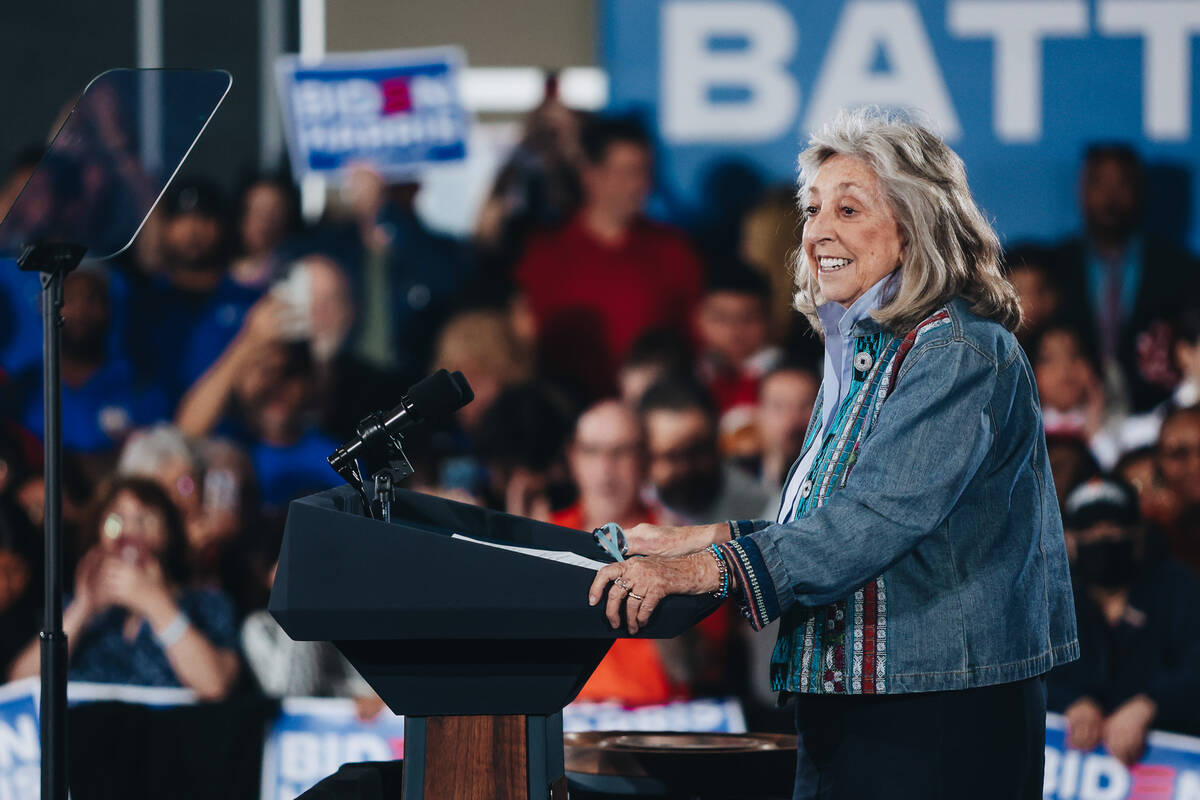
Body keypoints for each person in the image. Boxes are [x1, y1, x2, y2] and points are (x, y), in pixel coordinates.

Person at [586, 110, 1077, 799]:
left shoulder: (957, 351)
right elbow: (832, 518)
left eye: (849, 209)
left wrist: (709, 569)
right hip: (867, 702)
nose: (817, 232)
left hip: (937, 714)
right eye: (813, 209)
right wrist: (698, 539)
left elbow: (875, 518)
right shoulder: (865, 349)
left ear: (914, 224)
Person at [514, 115, 704, 398]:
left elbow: (697, 338)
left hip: (652, 411)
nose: (639, 185)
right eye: (628, 172)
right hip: (564, 410)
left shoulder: (674, 251)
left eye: (644, 172)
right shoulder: (544, 254)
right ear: (590, 175)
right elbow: (523, 342)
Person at [9, 477, 240, 698]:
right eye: (115, 520)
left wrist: (154, 602)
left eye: (145, 519)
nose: (130, 532)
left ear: (170, 532)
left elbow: (215, 686)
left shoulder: (207, 605)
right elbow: (19, 687)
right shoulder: (72, 607)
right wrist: (81, 609)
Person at [1048, 477, 1200, 765]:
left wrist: (1151, 704)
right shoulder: (1049, 597)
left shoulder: (1177, 589)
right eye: (1089, 530)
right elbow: (1021, 673)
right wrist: (1067, 701)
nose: (1102, 537)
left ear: (1138, 534)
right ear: (1069, 540)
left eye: (1113, 527)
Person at [552, 400, 682, 706]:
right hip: (569, 721)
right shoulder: (548, 534)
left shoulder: (677, 540)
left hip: (657, 722)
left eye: (620, 452)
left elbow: (693, 669)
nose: (605, 469)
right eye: (592, 451)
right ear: (573, 457)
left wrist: (670, 569)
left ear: (647, 461)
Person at [1052, 144, 1200, 413]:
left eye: (1122, 184)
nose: (1110, 197)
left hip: (1157, 418)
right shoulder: (1054, 268)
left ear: (1141, 192)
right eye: (1099, 183)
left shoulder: (1182, 271)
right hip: (1069, 422)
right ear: (1081, 190)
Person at [638, 378, 770, 526]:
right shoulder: (628, 506)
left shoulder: (762, 516)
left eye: (697, 452)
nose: (685, 468)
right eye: (672, 456)